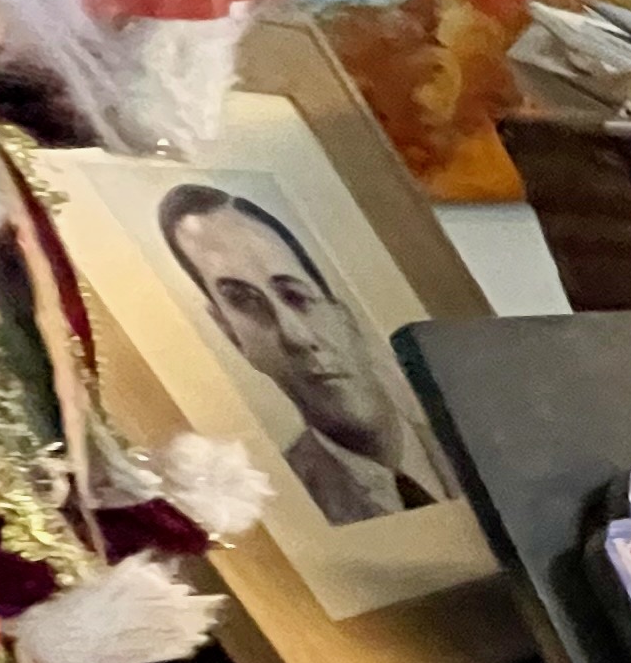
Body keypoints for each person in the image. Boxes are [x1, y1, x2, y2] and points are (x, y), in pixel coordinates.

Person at [154, 183, 443, 523]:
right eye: (245, 302)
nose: (296, 335)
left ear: (341, 311)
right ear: (231, 334)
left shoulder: (467, 444)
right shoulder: (279, 507)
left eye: (297, 296)